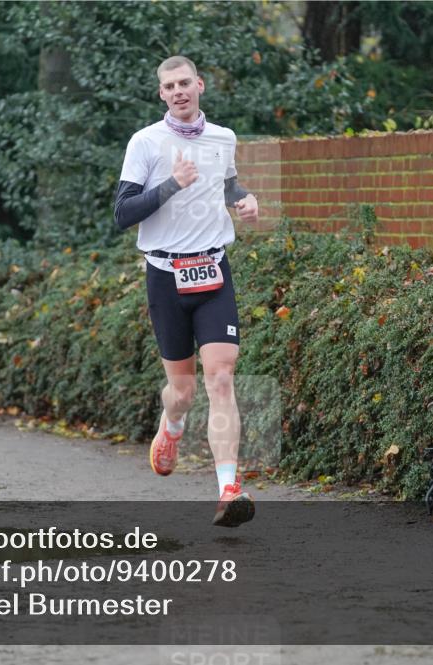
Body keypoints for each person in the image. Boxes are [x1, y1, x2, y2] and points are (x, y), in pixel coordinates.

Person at [113, 55, 258, 527]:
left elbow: (228, 186)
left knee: (221, 376)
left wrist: (244, 200)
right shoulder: (146, 143)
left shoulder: (223, 138)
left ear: (200, 85)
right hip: (166, 275)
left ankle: (229, 490)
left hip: (214, 271)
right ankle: (171, 426)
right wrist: (171, 185)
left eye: (184, 83)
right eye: (168, 86)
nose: (178, 91)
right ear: (161, 93)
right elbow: (122, 213)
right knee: (183, 390)